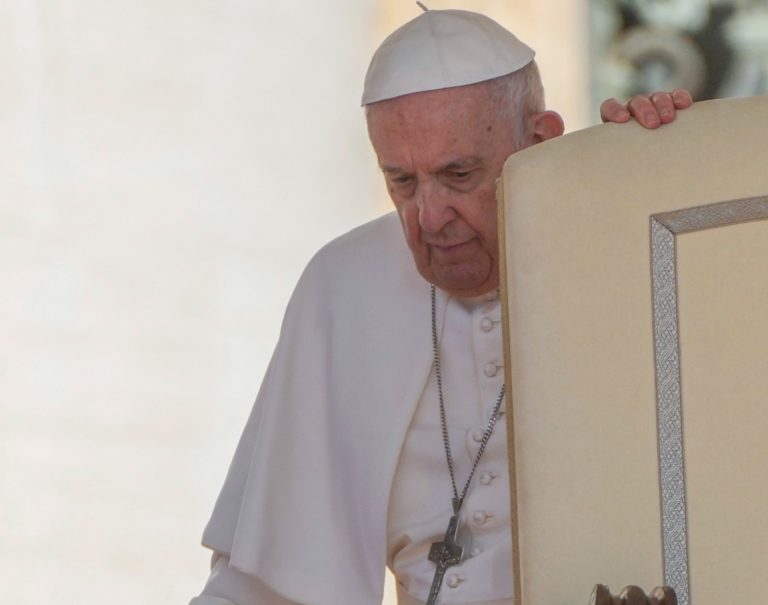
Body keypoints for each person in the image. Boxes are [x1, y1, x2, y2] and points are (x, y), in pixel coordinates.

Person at [190, 8, 692, 605]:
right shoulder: (345, 285)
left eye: (458, 175)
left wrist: (686, 172)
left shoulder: (644, 240)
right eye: (402, 181)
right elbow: (265, 587)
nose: (428, 218)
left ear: (539, 143)